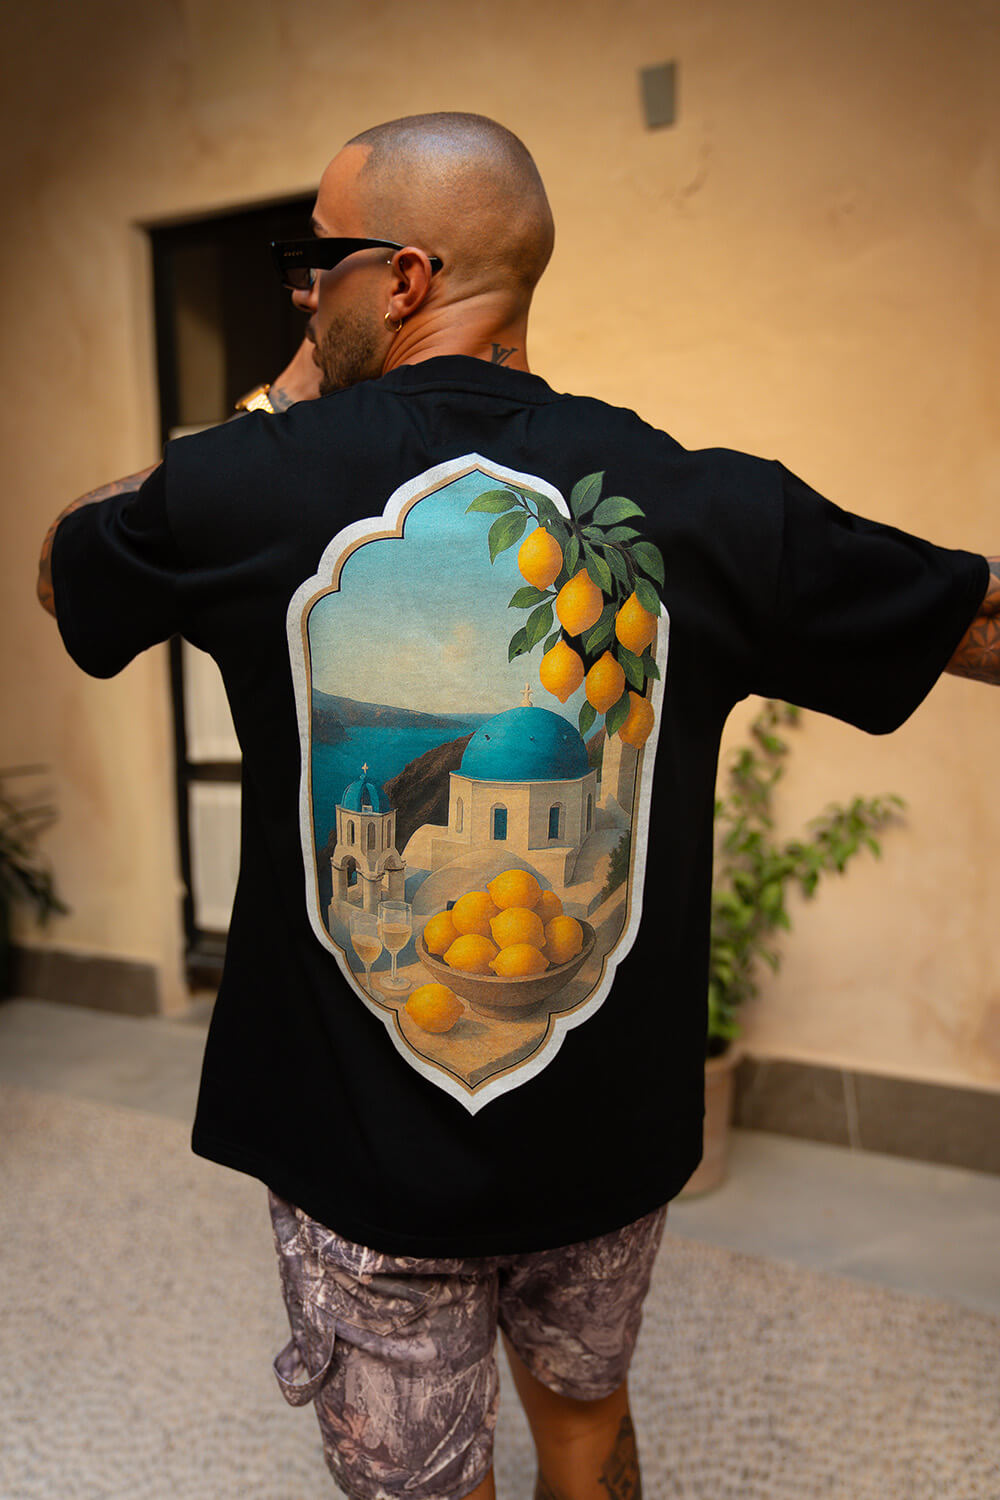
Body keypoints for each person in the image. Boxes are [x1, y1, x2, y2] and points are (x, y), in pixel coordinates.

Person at [38, 112, 998, 1500]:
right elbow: (973, 618)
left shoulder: (248, 482)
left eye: (318, 261)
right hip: (608, 1136)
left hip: (358, 1148)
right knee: (587, 1423)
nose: (304, 293)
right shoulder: (700, 501)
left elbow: (66, 565)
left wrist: (285, 397)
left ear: (403, 276)